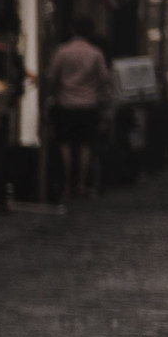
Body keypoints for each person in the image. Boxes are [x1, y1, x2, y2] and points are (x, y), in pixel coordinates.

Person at [46, 18, 115, 201]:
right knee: (85, 146)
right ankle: (82, 184)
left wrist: (57, 93)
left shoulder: (62, 51)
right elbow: (104, 79)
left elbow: (52, 77)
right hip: (88, 105)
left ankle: (67, 184)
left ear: (73, 29)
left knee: (65, 144)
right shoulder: (95, 53)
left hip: (66, 103)